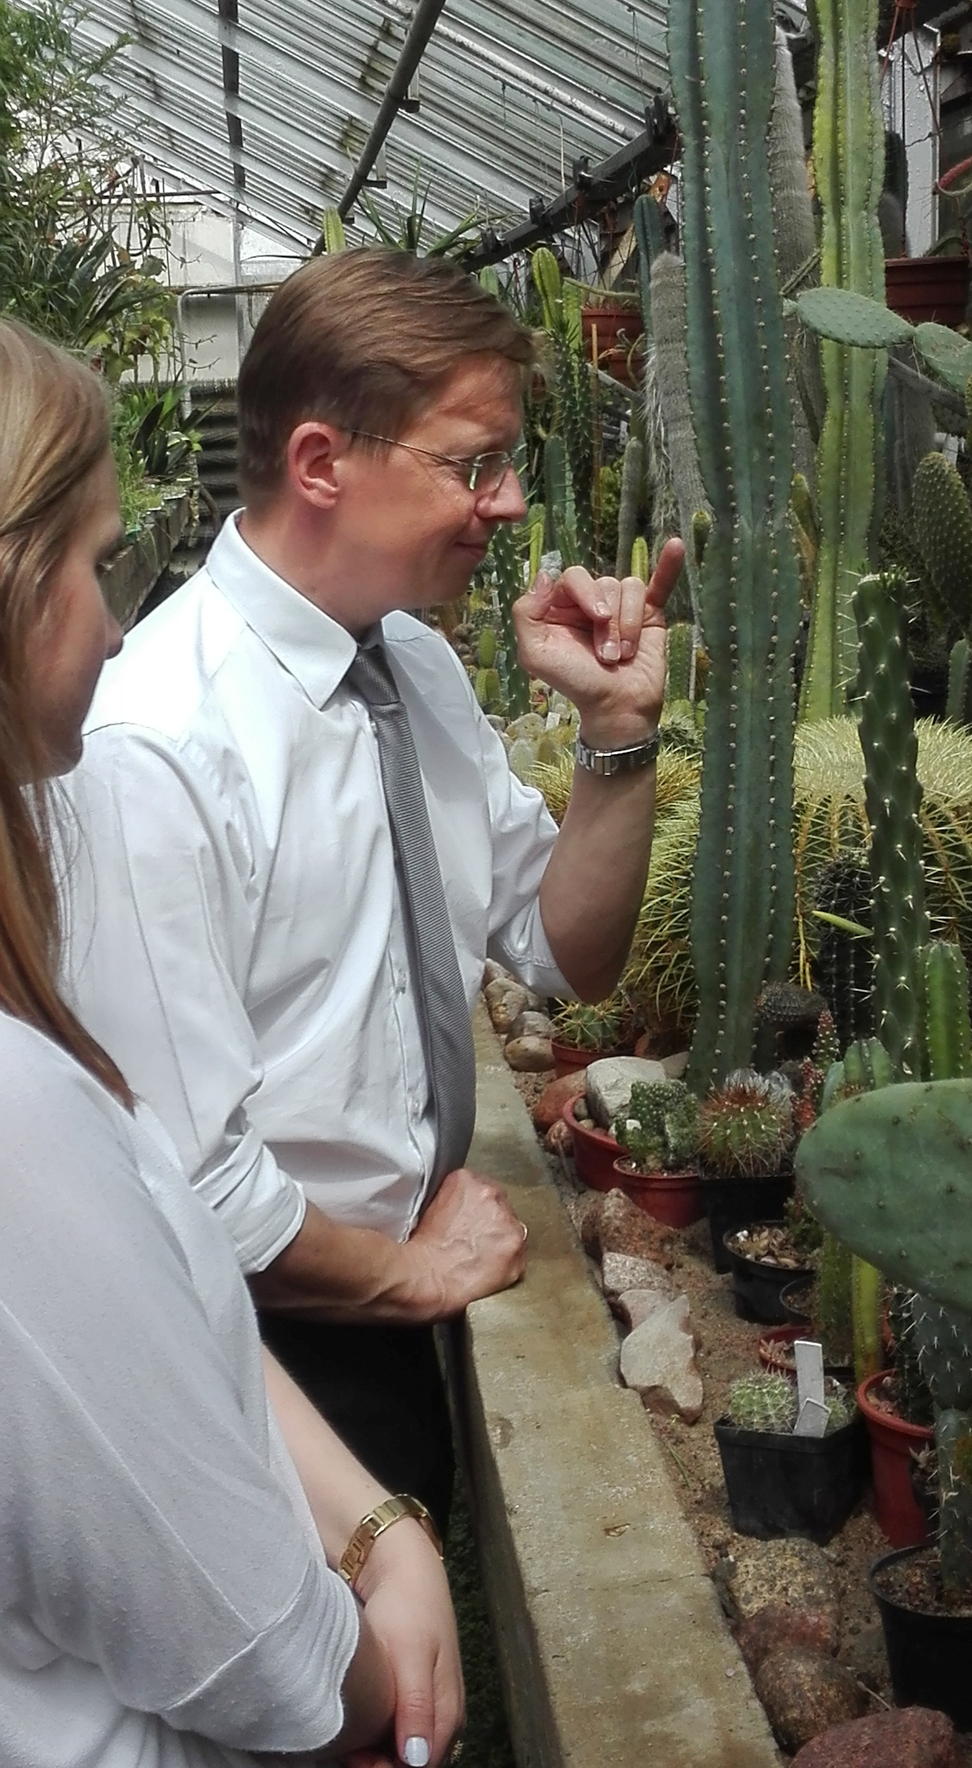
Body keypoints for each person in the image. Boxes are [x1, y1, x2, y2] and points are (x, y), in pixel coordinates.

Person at [62, 248, 684, 1531]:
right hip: (259, 1351)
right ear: (319, 463)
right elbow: (183, 1181)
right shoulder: (159, 744)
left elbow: (562, 948)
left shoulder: (412, 665)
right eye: (473, 462)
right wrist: (405, 1274)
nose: (509, 501)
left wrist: (617, 734)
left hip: (379, 1302)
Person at [0, 315, 462, 1768]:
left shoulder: (415, 672)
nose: (112, 623)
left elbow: (151, 1313)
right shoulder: (150, 748)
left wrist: (376, 1526)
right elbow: (262, 1652)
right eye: (93, 564)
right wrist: (374, 1652)